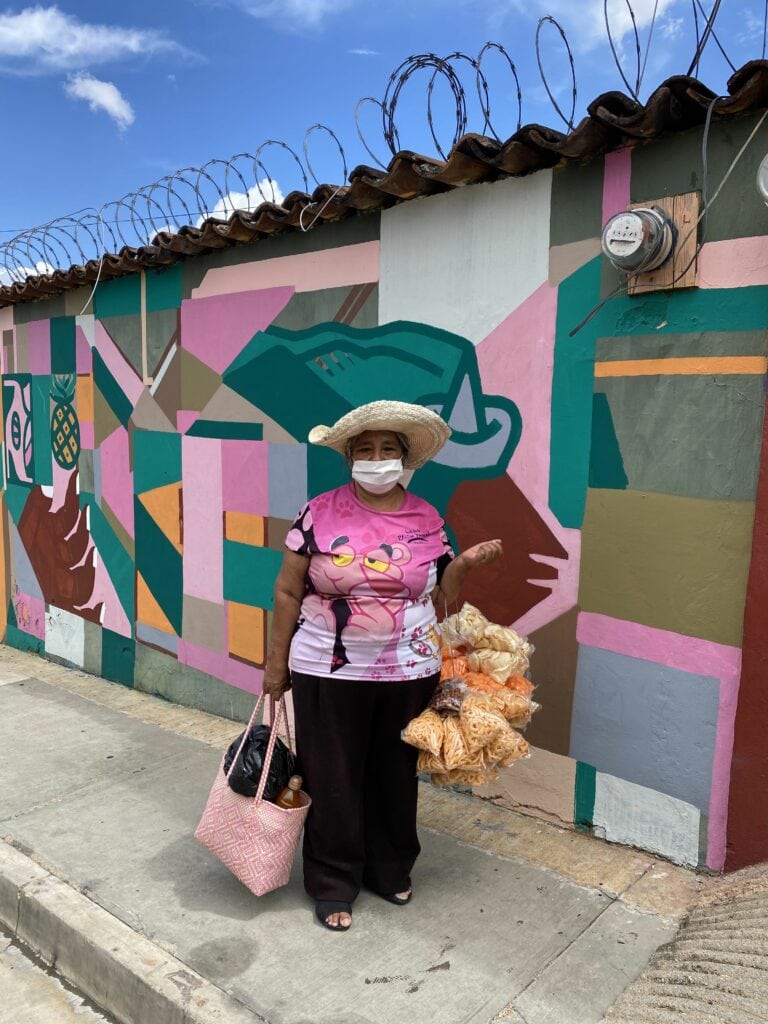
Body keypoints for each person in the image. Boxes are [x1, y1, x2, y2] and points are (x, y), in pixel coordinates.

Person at [262, 400, 502, 931]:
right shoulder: (317, 512)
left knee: (395, 775)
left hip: (408, 672)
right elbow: (285, 591)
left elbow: (443, 597)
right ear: (349, 456)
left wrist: (461, 565)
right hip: (326, 670)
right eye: (365, 450)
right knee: (333, 776)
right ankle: (333, 879)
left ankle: (389, 866)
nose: (376, 459)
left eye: (387, 450)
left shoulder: (426, 517)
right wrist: (274, 669)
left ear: (404, 458)